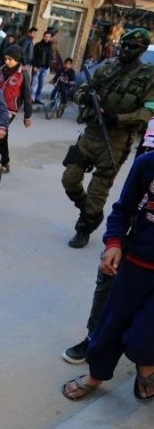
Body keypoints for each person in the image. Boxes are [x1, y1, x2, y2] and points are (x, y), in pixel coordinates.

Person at [61, 149, 154, 401]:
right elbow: (122, 210)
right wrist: (113, 243)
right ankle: (96, 375)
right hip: (136, 265)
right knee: (112, 324)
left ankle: (147, 366)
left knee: (142, 340)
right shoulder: (147, 164)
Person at [61, 28, 154, 249]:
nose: (125, 50)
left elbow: (148, 111)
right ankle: (90, 212)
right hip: (91, 133)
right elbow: (82, 89)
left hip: (116, 140)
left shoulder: (149, 77)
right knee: (69, 178)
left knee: (98, 190)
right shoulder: (107, 68)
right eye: (124, 45)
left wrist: (118, 119)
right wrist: (84, 96)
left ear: (141, 50)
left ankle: (84, 227)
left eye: (132, 47)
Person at [0, 45, 33, 173]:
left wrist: (28, 116)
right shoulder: (1, 70)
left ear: (17, 59)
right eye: (5, 58)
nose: (7, 61)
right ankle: (3, 161)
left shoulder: (23, 74)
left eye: (10, 59)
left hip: (9, 110)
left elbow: (27, 96)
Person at [32, 30, 54, 104]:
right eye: (46, 36)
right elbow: (33, 56)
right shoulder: (38, 45)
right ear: (43, 36)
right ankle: (30, 99)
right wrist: (34, 66)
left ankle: (37, 98)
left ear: (50, 38)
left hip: (45, 68)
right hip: (38, 67)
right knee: (33, 84)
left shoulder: (50, 46)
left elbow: (50, 57)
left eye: (48, 37)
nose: (47, 38)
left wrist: (50, 65)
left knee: (41, 85)